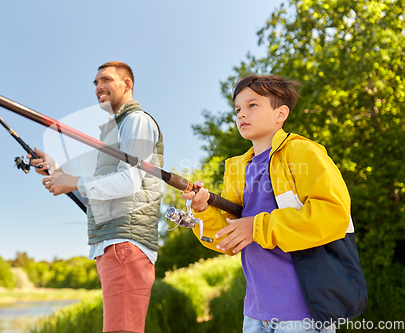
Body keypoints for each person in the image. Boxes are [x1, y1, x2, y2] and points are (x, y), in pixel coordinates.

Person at [183, 74, 366, 332]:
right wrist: (203, 211)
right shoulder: (237, 170)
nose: (241, 114)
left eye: (252, 105)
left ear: (280, 114)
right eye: (237, 109)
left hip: (302, 314)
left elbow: (333, 213)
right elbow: (228, 238)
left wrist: (257, 227)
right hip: (255, 314)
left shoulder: (303, 152)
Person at [29, 61, 164, 333]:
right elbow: (100, 196)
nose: (98, 87)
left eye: (106, 80)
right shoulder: (114, 131)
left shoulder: (136, 121)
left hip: (124, 244)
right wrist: (58, 173)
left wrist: (73, 181)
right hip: (114, 245)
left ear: (127, 85)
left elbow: (130, 180)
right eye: (95, 83)